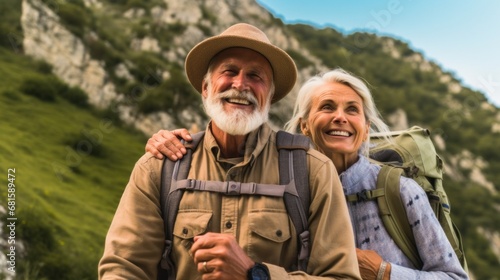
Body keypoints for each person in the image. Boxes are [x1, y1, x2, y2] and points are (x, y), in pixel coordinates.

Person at [146, 68, 469, 279]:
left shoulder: (401, 190)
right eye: (327, 107)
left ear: (366, 128)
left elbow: (455, 277)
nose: (340, 117)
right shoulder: (285, 185)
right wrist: (176, 146)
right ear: (304, 124)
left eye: (352, 110)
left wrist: (384, 272)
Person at [99, 23, 361, 280]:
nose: (240, 84)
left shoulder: (312, 170)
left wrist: (256, 275)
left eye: (255, 76)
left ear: (269, 97)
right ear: (206, 88)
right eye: (230, 71)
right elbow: (123, 268)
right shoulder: (159, 167)